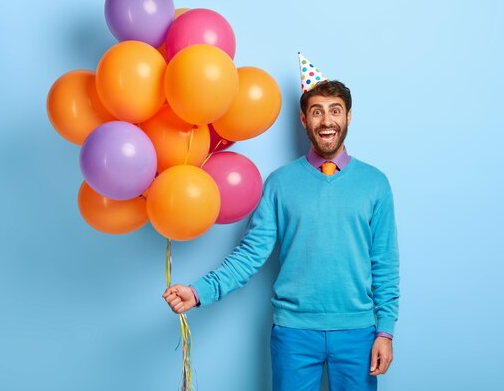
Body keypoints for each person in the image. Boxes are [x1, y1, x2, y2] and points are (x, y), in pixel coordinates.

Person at [163, 54, 400, 391]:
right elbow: (250, 254)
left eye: (335, 110)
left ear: (347, 116)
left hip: (358, 333)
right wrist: (198, 292)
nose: (326, 120)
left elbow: (385, 264)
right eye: (317, 111)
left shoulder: (375, 184)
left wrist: (385, 331)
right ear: (303, 120)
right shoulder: (279, 183)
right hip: (293, 333)